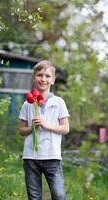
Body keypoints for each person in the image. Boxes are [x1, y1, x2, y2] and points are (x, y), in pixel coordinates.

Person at [19, 60, 70, 200]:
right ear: (34, 77)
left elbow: (65, 128)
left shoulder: (59, 102)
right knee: (34, 196)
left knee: (59, 195)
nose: (43, 79)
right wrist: (31, 128)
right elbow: (21, 130)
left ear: (53, 80)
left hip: (52, 156)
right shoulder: (27, 103)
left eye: (47, 76)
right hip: (31, 157)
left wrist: (46, 125)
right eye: (40, 75)